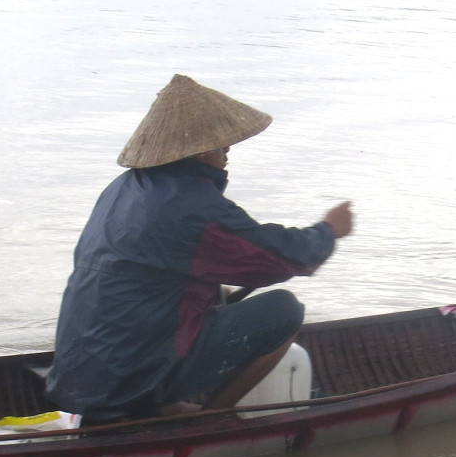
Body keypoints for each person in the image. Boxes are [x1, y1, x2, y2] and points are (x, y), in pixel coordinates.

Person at [46, 74, 355, 425]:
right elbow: (284, 257)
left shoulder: (123, 189)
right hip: (124, 377)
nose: (227, 152)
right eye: (221, 145)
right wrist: (329, 231)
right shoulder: (192, 206)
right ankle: (212, 418)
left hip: (77, 373)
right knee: (285, 310)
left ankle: (160, 404)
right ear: (199, 149)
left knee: (214, 292)